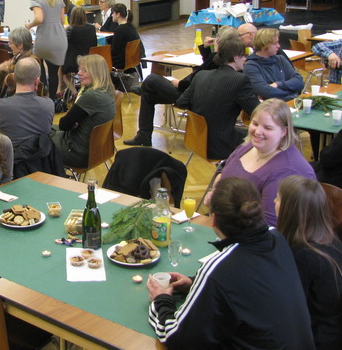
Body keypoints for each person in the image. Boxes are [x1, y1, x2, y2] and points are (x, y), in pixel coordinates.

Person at [147, 177, 315, 350]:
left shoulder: (218, 269)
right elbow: (246, 290)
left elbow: (177, 338)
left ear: (214, 218)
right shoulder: (276, 238)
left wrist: (161, 300)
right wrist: (194, 284)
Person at [124, 26, 240, 147]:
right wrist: (206, 48)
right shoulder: (224, 59)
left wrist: (180, 83)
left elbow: (200, 77)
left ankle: (141, 91)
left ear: (219, 41)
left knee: (151, 79)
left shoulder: (218, 60)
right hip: (191, 92)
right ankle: (144, 136)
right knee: (148, 95)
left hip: (189, 96)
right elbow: (207, 66)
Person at [218, 98, 316, 225]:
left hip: (249, 231)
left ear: (284, 131)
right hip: (226, 221)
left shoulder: (288, 170)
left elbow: (268, 224)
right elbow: (225, 167)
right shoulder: (250, 145)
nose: (258, 132)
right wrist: (216, 185)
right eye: (255, 123)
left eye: (268, 128)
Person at [276, 175, 342, 350]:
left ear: (288, 209)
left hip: (317, 341)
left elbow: (291, 312)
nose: (274, 202)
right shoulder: (331, 240)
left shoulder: (303, 256)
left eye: (278, 198)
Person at [175, 39, 260, 160]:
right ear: (236, 57)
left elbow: (181, 102)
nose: (245, 59)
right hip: (221, 144)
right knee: (267, 137)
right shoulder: (240, 80)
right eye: (243, 56)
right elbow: (257, 111)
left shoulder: (201, 75)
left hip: (196, 139)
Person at [52, 54, 115, 168]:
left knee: (36, 136)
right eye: (80, 69)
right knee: (45, 128)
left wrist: (72, 119)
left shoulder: (91, 96)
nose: (79, 73)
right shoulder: (107, 90)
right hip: (95, 150)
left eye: (84, 70)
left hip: (75, 152)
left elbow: (63, 125)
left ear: (96, 73)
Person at [0, 58, 54, 146]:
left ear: (14, 78)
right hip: (41, 154)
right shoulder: (49, 104)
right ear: (37, 80)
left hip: (10, 154)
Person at [25, 0, 66, 98]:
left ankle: (42, 95)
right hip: (60, 39)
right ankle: (52, 101)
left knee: (39, 67)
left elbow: (39, 18)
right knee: (54, 73)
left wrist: (29, 25)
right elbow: (62, 20)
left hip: (45, 38)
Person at [244, 27, 304, 101]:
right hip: (273, 105)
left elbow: (299, 81)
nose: (278, 46)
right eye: (275, 43)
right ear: (264, 45)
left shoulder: (280, 59)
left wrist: (278, 84)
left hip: (291, 101)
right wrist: (291, 92)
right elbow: (266, 92)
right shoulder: (251, 66)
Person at [0, 26, 39, 97]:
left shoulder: (31, 62)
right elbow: (2, 85)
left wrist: (8, 72)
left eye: (10, 43)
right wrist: (0, 70)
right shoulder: (16, 58)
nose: (9, 46)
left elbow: (18, 84)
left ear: (20, 46)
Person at [109, 3, 141, 70]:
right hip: (132, 60)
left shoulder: (119, 29)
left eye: (113, 13)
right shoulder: (131, 26)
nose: (112, 15)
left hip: (121, 61)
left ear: (118, 14)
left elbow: (115, 50)